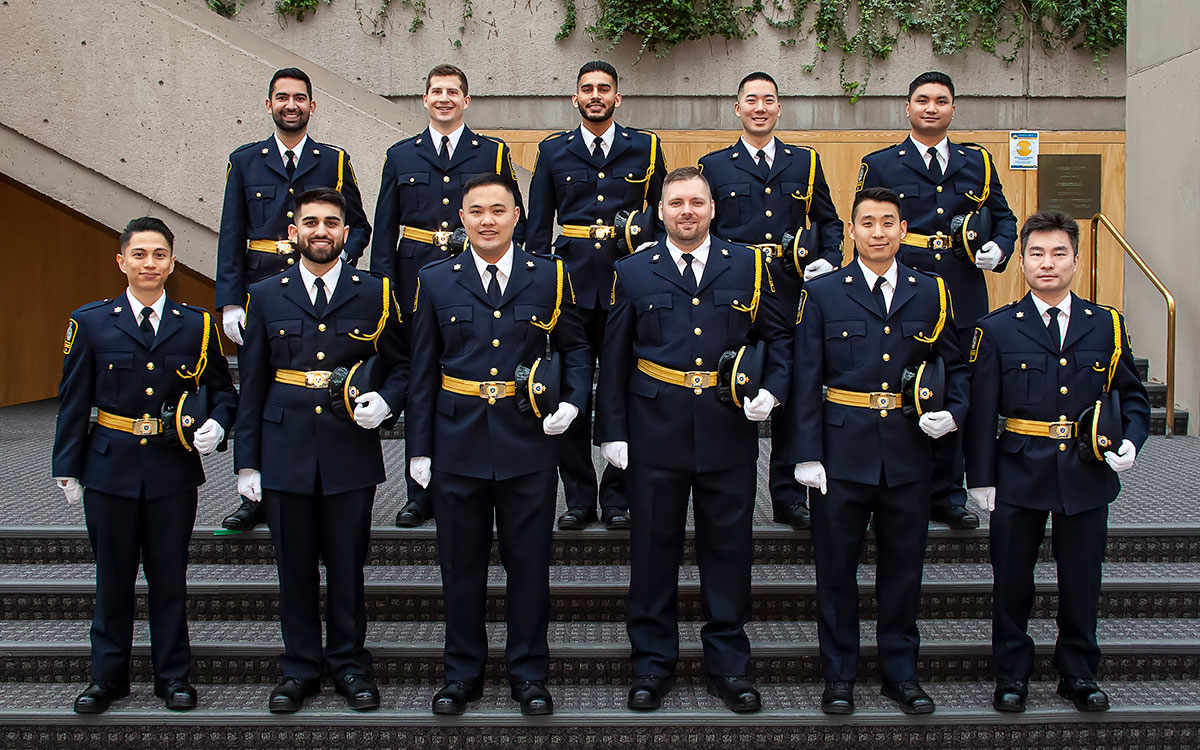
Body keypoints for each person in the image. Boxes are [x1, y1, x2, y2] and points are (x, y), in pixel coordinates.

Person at [596, 166, 791, 714]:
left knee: (729, 552)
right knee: (652, 551)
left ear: (712, 209)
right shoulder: (633, 270)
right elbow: (612, 359)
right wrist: (611, 432)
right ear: (660, 211)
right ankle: (651, 665)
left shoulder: (750, 266)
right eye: (676, 202)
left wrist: (772, 391)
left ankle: (729, 665)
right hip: (653, 431)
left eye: (696, 202)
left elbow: (779, 338)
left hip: (727, 429)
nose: (687, 211)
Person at [407, 173, 591, 716]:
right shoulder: (436, 279)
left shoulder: (550, 276)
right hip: (456, 441)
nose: (487, 220)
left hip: (527, 441)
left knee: (529, 565)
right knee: (459, 567)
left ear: (518, 217)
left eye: (498, 210)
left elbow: (576, 349)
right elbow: (422, 371)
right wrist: (419, 448)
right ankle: (461, 674)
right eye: (476, 211)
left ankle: (529, 673)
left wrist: (574, 402)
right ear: (461, 218)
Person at [788, 187, 969, 715]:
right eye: (867, 222)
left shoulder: (931, 291)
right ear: (850, 231)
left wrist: (953, 411)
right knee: (837, 571)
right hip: (841, 454)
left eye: (888, 222)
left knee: (903, 570)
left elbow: (955, 367)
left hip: (909, 454)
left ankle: (900, 673)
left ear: (903, 228)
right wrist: (806, 452)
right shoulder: (823, 293)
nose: (878, 232)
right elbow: (806, 378)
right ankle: (839, 675)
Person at [964, 211, 1149, 714]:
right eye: (1037, 254)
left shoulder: (1106, 323)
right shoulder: (997, 329)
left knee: (1082, 579)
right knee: (1012, 580)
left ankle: (1078, 673)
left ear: (1076, 258)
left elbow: (1131, 396)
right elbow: (981, 412)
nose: (1048, 264)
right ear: (1021, 261)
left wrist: (1132, 439)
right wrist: (979, 478)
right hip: (1019, 470)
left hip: (1086, 471)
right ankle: (1012, 673)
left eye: (1058, 253)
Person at [52, 217, 237, 713]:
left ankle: (173, 676)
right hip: (108, 465)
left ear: (173, 263)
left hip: (171, 468)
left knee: (169, 576)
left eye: (159, 255)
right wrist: (65, 465)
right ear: (122, 262)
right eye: (139, 254)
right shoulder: (89, 321)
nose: (149, 264)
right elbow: (73, 400)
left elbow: (222, 391)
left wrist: (220, 424)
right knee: (111, 578)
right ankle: (106, 678)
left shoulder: (197, 324)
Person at [234, 188, 407, 714]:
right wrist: (247, 461)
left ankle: (351, 665)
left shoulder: (374, 291)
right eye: (310, 222)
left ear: (346, 233)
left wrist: (387, 400)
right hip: (284, 446)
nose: (321, 231)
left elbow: (402, 362)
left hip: (346, 448)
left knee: (348, 566)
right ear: (293, 233)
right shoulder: (265, 294)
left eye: (332, 222)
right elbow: (253, 381)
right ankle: (300, 668)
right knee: (294, 568)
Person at [857, 70, 1017, 530]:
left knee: (954, 388)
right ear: (907, 108)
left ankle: (948, 492)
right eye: (922, 100)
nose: (931, 107)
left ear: (953, 109)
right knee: (894, 383)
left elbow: (1004, 219)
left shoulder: (978, 162)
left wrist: (1000, 248)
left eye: (941, 100)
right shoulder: (882, 163)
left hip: (962, 290)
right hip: (902, 289)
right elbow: (868, 228)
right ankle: (889, 485)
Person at [216, 66, 371, 532]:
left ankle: (311, 485)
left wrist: (339, 259)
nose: (291, 105)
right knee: (260, 389)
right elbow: (231, 233)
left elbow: (359, 223)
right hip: (262, 293)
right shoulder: (244, 161)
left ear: (312, 106)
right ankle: (254, 488)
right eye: (282, 97)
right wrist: (230, 300)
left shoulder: (334, 160)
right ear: (269, 105)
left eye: (299, 98)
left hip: (324, 289)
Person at [372, 63, 526, 528]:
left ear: (466, 100)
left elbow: (514, 219)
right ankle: (419, 491)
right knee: (421, 375)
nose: (444, 98)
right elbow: (384, 227)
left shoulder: (493, 152)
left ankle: (478, 477)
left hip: (475, 282)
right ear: (424, 99)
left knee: (471, 371)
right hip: (416, 278)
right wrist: (385, 291)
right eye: (435, 91)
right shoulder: (401, 155)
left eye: (452, 92)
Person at [698, 71, 843, 531]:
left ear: (779, 109)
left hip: (789, 291)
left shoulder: (806, 162)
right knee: (733, 378)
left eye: (769, 100)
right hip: (734, 291)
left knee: (792, 386)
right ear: (736, 108)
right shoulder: (714, 166)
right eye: (751, 100)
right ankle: (728, 485)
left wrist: (830, 258)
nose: (760, 107)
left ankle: (786, 492)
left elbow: (830, 221)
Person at [527, 60, 667, 531]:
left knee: (626, 389)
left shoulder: (645, 147)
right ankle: (579, 498)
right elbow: (537, 226)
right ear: (575, 98)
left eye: (604, 88)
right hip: (569, 288)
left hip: (628, 286)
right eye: (587, 89)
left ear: (617, 98)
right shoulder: (553, 152)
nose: (595, 96)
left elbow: (661, 212)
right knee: (570, 392)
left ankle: (618, 496)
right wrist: (535, 284)